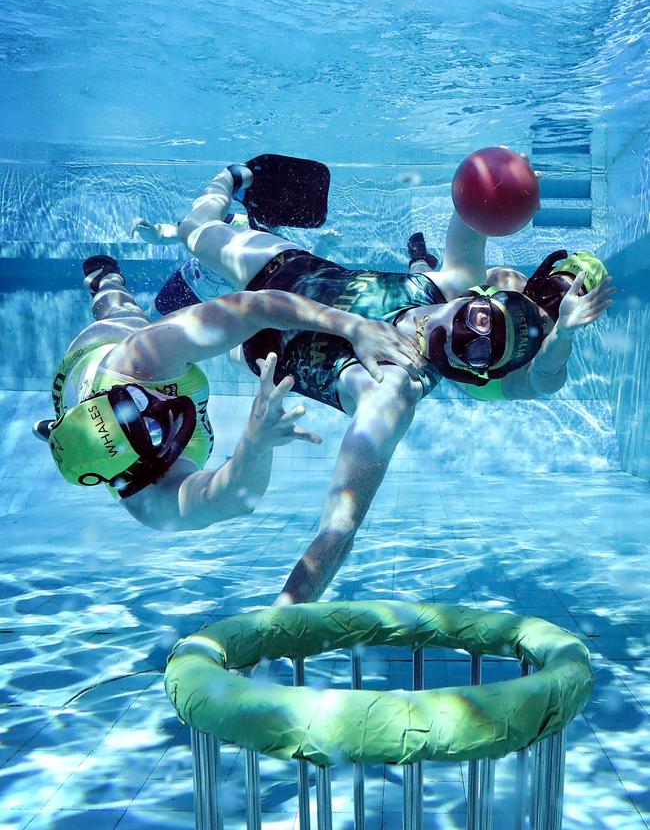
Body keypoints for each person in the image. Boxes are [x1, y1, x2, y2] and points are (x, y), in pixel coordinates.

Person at [132, 159, 613, 602]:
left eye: (480, 351)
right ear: (481, 295)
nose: (467, 334)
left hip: (251, 339)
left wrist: (280, 617)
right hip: (285, 267)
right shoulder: (457, 281)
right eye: (481, 318)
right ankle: (238, 180)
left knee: (157, 327)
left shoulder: (393, 389)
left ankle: (163, 285)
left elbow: (338, 529)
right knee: (195, 228)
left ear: (477, 372)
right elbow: (473, 205)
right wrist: (509, 173)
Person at [33, 250, 422, 533]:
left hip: (95, 353)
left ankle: (105, 280)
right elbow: (234, 499)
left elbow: (253, 307)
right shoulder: (149, 499)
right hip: (84, 417)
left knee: (122, 311)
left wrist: (351, 326)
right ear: (136, 468)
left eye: (135, 402)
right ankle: (55, 429)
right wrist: (255, 445)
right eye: (150, 432)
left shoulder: (140, 364)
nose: (160, 409)